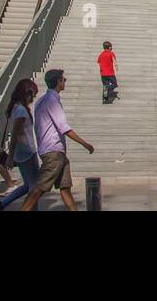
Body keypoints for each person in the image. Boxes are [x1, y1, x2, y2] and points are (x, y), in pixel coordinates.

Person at [20, 69, 93, 212]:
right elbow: (63, 127)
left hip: (54, 151)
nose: (65, 82)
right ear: (58, 82)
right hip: (53, 152)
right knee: (39, 188)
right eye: (63, 79)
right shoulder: (52, 101)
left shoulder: (41, 101)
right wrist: (85, 144)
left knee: (65, 188)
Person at [0, 78, 39, 212]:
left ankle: (2, 204)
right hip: (26, 151)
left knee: (28, 185)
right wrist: (10, 157)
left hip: (21, 151)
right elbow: (16, 136)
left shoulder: (15, 108)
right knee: (35, 187)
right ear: (27, 93)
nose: (33, 98)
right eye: (33, 95)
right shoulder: (21, 111)